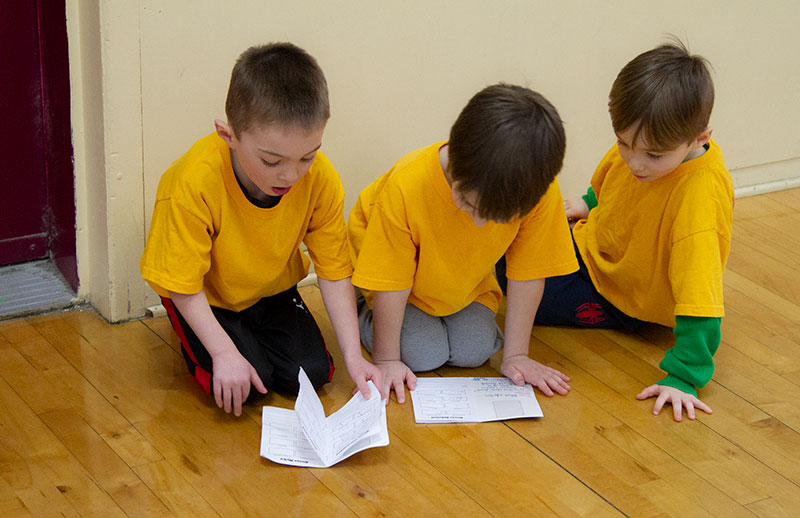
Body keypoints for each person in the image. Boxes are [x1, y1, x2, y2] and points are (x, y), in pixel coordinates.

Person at [140, 42, 381, 416]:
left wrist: (355, 356)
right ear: (228, 135)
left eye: (307, 156)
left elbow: (334, 271)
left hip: (270, 290)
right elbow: (181, 284)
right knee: (246, 386)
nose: (290, 175)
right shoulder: (193, 182)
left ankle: (249, 340)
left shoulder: (321, 179)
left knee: (315, 373)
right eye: (272, 161)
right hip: (205, 297)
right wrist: (222, 353)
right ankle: (219, 343)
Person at [499, 40, 733, 422]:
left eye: (653, 156)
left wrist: (685, 377)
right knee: (513, 238)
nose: (635, 162)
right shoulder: (645, 145)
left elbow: (701, 295)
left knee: (516, 285)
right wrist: (589, 203)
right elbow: (613, 180)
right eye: (624, 143)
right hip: (595, 249)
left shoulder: (699, 202)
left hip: (626, 299)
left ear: (700, 138)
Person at [348, 84, 579, 402]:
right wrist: (387, 361)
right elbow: (390, 281)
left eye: (498, 218)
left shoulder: (538, 191)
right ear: (455, 165)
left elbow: (528, 272)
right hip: (390, 284)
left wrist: (516, 356)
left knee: (477, 350)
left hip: (462, 284)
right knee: (422, 355)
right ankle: (361, 307)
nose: (481, 224)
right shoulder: (408, 186)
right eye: (471, 207)